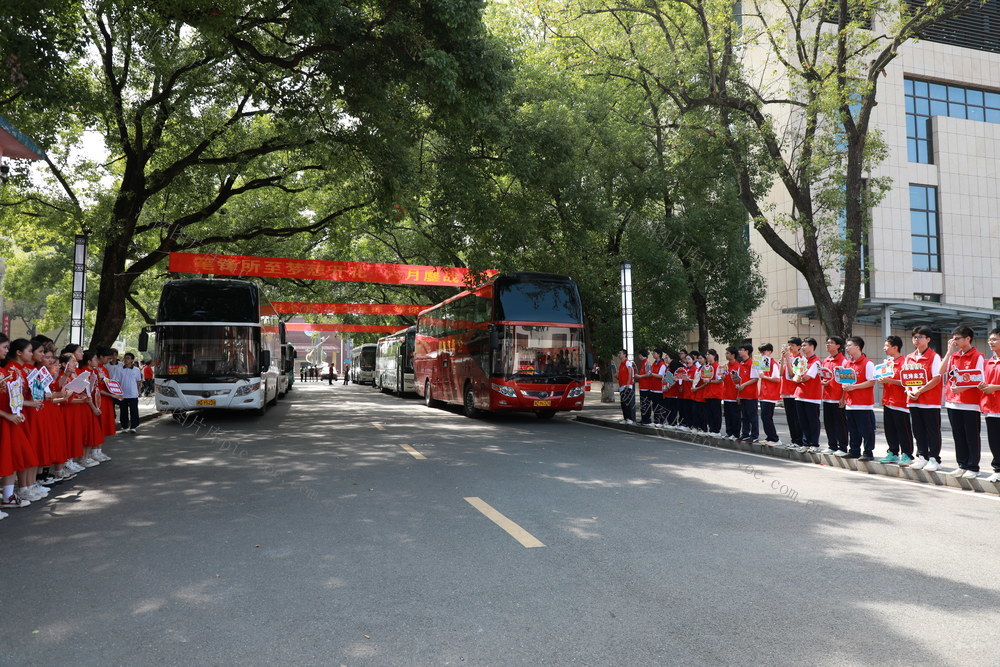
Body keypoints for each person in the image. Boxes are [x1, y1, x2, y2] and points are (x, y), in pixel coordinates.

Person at [940, 325, 985, 479]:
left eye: (958, 338)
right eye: (953, 339)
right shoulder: (953, 356)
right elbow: (941, 371)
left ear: (968, 339)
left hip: (970, 403)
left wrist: (962, 388)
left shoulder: (977, 356)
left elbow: (979, 379)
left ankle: (973, 467)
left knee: (971, 436)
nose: (955, 341)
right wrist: (948, 353)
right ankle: (962, 465)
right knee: (958, 435)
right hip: (953, 402)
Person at [905, 326, 944, 471]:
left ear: (928, 339)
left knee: (932, 431)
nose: (917, 339)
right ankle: (922, 457)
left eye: (920, 337)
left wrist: (920, 391)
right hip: (914, 400)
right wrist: (908, 390)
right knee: (918, 430)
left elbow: (936, 378)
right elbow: (906, 378)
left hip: (930, 401)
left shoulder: (934, 357)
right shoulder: (909, 357)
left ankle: (934, 459)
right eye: (915, 337)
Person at [877, 336, 914, 465]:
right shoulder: (888, 363)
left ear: (895, 347)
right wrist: (883, 380)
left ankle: (907, 454)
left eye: (887, 346)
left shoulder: (905, 362)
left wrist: (889, 380)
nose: (884, 348)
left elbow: (907, 381)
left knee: (903, 430)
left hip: (900, 402)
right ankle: (893, 452)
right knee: (890, 429)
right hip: (888, 401)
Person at [840, 336, 877, 460]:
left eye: (849, 345)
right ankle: (854, 450)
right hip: (850, 403)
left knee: (866, 429)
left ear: (857, 347)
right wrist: (843, 395)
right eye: (846, 345)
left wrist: (854, 387)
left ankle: (868, 452)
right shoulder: (847, 363)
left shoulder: (868, 363)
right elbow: (845, 382)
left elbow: (872, 382)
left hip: (863, 403)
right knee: (853, 429)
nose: (847, 348)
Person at [791, 337, 823, 452]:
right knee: (803, 421)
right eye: (803, 345)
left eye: (805, 345)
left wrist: (798, 378)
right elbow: (794, 375)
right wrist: (796, 378)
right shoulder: (801, 360)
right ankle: (806, 443)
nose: (803, 348)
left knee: (812, 421)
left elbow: (807, 377)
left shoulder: (816, 361)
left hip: (812, 396)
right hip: (800, 394)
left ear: (812, 346)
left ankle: (814, 444)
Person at [977, 327, 1000, 483]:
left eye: (994, 339)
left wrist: (995, 387)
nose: (991, 342)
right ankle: (998, 470)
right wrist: (983, 386)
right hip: (991, 408)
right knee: (994, 441)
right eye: (989, 339)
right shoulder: (988, 362)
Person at [819, 337, 849, 455]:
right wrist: (823, 382)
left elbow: (846, 381)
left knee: (840, 424)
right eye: (827, 342)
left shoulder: (843, 361)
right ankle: (832, 446)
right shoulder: (825, 360)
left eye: (831, 343)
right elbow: (823, 376)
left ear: (838, 346)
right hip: (827, 397)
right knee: (828, 423)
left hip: (838, 397)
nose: (828, 345)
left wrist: (843, 397)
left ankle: (843, 447)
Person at [780, 337, 805, 448]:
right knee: (790, 418)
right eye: (789, 345)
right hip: (786, 391)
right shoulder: (788, 357)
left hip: (794, 391)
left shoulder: (800, 359)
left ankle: (799, 441)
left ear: (799, 347)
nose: (790, 347)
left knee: (796, 418)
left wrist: (788, 360)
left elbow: (792, 374)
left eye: (793, 345)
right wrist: (783, 358)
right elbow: (781, 373)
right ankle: (793, 439)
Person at [757, 343, 782, 445]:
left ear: (770, 352)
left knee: (766, 416)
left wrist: (764, 376)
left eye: (764, 352)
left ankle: (774, 438)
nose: (762, 354)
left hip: (770, 394)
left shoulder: (773, 363)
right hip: (764, 394)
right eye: (761, 352)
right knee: (765, 417)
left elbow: (777, 379)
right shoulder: (764, 362)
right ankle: (769, 437)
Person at [735, 344, 759, 442]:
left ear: (747, 351)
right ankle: (745, 434)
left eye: (741, 350)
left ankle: (754, 435)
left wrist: (744, 385)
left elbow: (755, 378)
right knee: (744, 416)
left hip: (751, 394)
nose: (739, 351)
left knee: (752, 416)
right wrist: (738, 393)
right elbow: (739, 379)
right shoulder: (740, 364)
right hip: (742, 394)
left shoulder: (753, 363)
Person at [118, 352, 143, 433]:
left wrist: (139, 391)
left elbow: (138, 381)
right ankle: (125, 426)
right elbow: (117, 381)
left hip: (133, 394)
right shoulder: (120, 369)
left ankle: (133, 426)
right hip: (123, 394)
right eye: (125, 358)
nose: (126, 360)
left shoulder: (136, 370)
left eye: (128, 358)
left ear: (132, 360)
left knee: (134, 411)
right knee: (123, 411)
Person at [722, 347, 741, 439]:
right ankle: (729, 432)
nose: (726, 355)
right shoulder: (725, 366)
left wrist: (739, 395)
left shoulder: (738, 366)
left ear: (733, 355)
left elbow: (740, 381)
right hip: (726, 394)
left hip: (734, 394)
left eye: (727, 353)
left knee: (735, 415)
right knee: (727, 414)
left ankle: (736, 433)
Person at [615, 349, 636, 424]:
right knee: (623, 403)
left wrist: (628, 383)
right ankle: (625, 418)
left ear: (624, 354)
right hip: (622, 386)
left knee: (628, 403)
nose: (619, 355)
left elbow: (630, 372)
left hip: (627, 386)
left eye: (620, 353)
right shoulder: (621, 364)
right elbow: (620, 376)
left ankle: (630, 418)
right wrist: (616, 376)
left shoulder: (627, 362)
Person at [636, 349, 656, 425]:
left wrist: (640, 376)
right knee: (643, 404)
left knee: (646, 404)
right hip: (643, 387)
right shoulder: (643, 363)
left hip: (646, 387)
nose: (639, 357)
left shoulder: (647, 363)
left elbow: (649, 374)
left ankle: (647, 419)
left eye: (639, 355)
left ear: (641, 355)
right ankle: (644, 418)